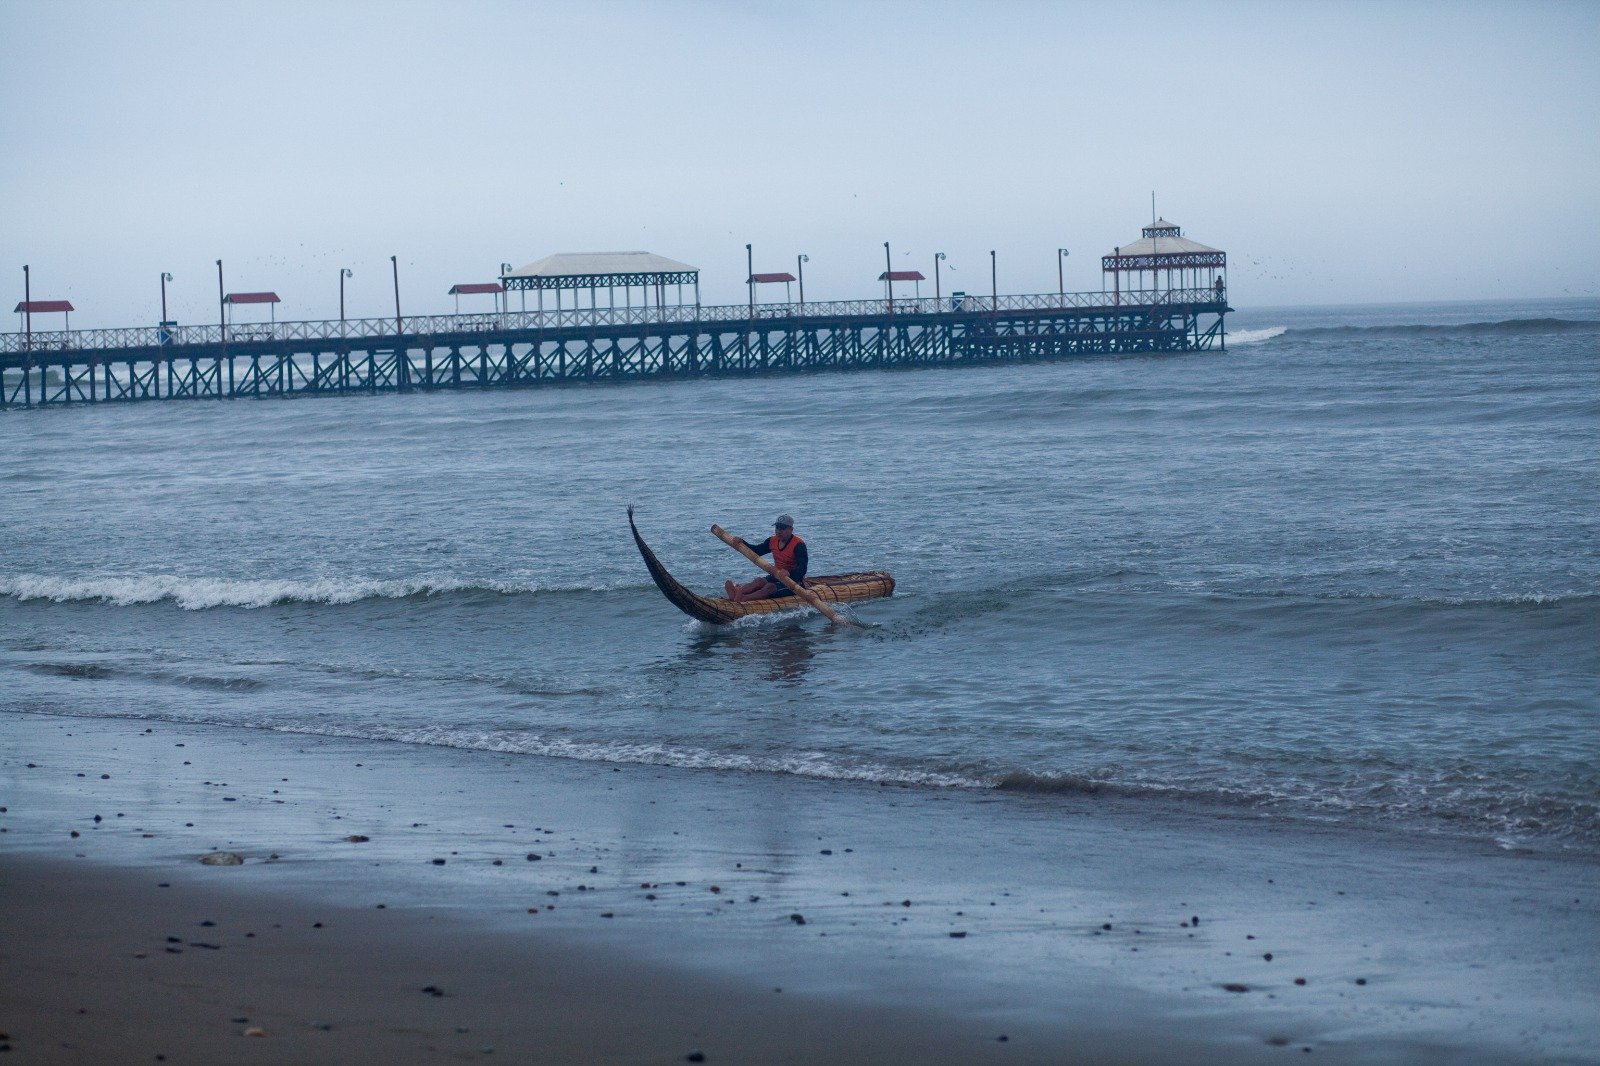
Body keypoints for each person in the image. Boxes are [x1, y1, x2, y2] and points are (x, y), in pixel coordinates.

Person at [725, 514, 808, 602]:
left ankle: (742, 598)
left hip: (794, 581)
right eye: (777, 528)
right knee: (759, 581)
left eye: (782, 528)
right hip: (777, 576)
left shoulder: (799, 545)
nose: (779, 531)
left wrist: (789, 573)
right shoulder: (772, 540)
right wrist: (742, 542)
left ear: (791, 529)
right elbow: (757, 551)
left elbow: (802, 568)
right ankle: (737, 592)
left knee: (770, 587)